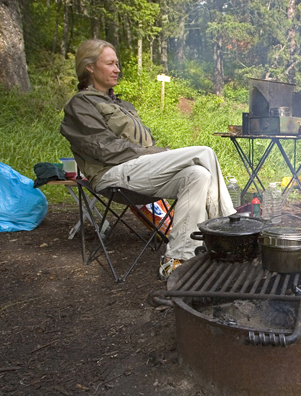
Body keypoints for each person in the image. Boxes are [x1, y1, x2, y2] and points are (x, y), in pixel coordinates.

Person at [61, 39, 235, 278]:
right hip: (111, 174)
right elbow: (103, 149)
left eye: (117, 63)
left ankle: (179, 258)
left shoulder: (121, 104)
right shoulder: (80, 104)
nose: (117, 69)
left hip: (139, 172)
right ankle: (228, 235)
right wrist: (155, 153)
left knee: (198, 175)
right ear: (89, 67)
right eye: (110, 63)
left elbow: (141, 143)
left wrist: (152, 153)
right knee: (204, 152)